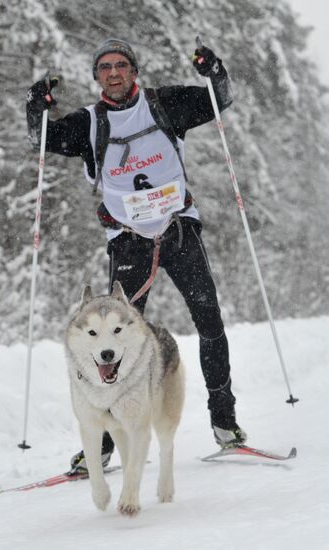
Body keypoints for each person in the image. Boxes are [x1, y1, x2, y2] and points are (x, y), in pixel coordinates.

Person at [26, 38, 247, 474]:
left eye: (121, 65)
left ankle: (226, 425)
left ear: (134, 70)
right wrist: (38, 106)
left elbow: (221, 100)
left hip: (178, 229)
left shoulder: (166, 104)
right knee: (113, 341)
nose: (113, 72)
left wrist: (214, 71)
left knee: (210, 323)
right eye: (105, 67)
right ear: (96, 77)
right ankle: (103, 448)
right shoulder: (89, 123)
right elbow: (41, 139)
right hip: (128, 241)